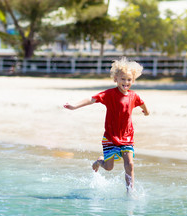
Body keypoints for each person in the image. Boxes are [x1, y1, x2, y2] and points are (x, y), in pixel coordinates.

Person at [64, 57, 149, 191]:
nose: (126, 82)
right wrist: (75, 106)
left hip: (127, 137)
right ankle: (99, 161)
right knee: (109, 167)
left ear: (133, 80)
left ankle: (130, 192)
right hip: (110, 137)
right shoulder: (109, 94)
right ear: (116, 79)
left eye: (129, 80)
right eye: (122, 79)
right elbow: (91, 99)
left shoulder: (134, 96)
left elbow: (142, 103)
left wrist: (146, 111)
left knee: (130, 164)